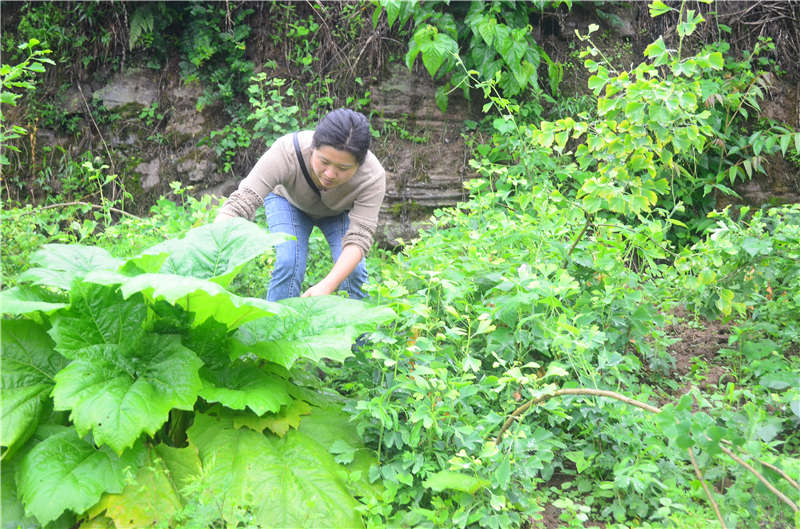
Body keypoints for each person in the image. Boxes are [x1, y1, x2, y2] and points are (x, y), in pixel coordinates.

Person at [216, 108, 386, 301]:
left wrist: (326, 285)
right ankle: (276, 325)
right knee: (289, 261)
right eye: (324, 162)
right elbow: (241, 202)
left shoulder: (372, 177)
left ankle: (358, 330)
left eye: (343, 168)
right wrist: (209, 245)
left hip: (338, 212)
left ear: (359, 164)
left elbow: (359, 238)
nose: (330, 174)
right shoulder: (288, 150)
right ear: (313, 148)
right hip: (287, 201)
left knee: (354, 270)